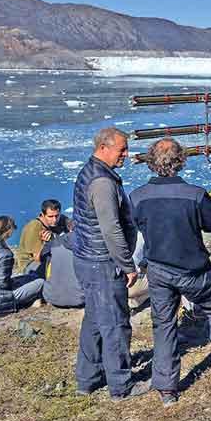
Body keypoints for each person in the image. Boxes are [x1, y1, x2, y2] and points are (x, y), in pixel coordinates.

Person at [130, 138, 211, 408]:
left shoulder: (137, 197)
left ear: (151, 162)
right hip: (194, 270)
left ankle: (166, 387)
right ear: (180, 161)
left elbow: (132, 227)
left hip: (158, 269)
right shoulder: (194, 194)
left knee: (164, 323)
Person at [72, 127, 146, 401]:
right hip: (102, 263)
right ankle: (121, 385)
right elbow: (111, 229)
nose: (126, 154)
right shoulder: (102, 183)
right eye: (121, 150)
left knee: (94, 318)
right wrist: (127, 265)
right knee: (115, 323)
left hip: (87, 258)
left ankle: (87, 379)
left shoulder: (90, 171)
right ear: (104, 147)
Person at [0, 216, 44, 316]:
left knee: (27, 277)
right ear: (9, 231)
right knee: (40, 282)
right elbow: (3, 284)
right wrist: (15, 283)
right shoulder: (5, 254)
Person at [14, 199, 73, 275]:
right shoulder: (35, 227)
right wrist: (49, 242)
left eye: (57, 216)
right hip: (30, 265)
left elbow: (72, 226)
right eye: (50, 216)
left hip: (51, 257)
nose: (54, 220)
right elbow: (37, 258)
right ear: (42, 214)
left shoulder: (60, 219)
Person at [42, 232, 85, 308]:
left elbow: (42, 259)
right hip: (80, 299)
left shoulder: (53, 243)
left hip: (51, 298)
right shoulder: (88, 243)